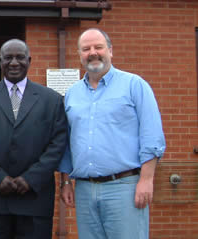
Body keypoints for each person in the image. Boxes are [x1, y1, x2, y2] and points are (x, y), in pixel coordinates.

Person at [59, 28, 166, 239]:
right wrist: (65, 182)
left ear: (110, 50)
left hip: (124, 188)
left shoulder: (135, 85)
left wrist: (146, 180)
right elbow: (67, 142)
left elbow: (152, 136)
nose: (93, 52)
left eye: (98, 47)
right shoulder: (72, 94)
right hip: (84, 190)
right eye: (86, 49)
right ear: (80, 55)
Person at [0, 39, 68, 239]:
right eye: (8, 58)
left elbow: (58, 143)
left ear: (29, 60)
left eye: (19, 57)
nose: (13, 62)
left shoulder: (52, 100)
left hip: (35, 200)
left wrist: (31, 179)